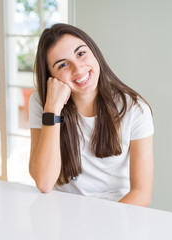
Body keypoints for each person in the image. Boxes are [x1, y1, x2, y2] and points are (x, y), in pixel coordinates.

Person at [28, 23, 154, 207]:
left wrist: (97, 226)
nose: (78, 69)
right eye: (62, 64)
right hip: (62, 211)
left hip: (117, 211)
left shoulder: (135, 109)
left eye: (80, 53)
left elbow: (142, 194)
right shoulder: (42, 103)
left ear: (94, 52)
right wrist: (52, 111)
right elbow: (44, 182)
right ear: (51, 77)